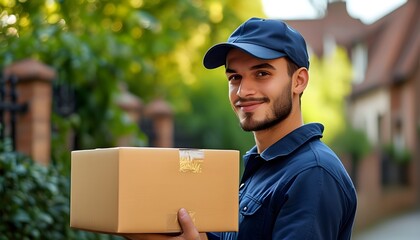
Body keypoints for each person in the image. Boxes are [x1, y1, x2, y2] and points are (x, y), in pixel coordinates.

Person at [125, 17, 357, 240]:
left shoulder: (312, 174)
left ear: (299, 81)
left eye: (262, 74)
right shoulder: (264, 166)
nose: (243, 91)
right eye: (235, 77)